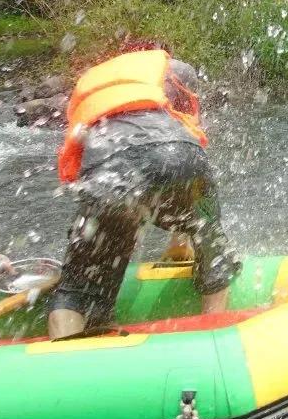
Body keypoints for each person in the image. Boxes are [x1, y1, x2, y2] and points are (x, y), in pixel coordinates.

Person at [48, 42, 240, 339]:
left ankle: (64, 363)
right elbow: (187, 137)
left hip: (108, 171)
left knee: (76, 290)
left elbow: (78, 165)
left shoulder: (93, 84)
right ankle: (213, 341)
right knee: (214, 251)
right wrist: (185, 238)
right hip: (179, 157)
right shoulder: (174, 72)